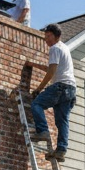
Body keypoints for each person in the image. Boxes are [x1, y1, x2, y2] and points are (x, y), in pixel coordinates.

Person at [29, 23, 76, 162]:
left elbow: (51, 72)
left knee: (36, 105)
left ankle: (42, 130)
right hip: (71, 89)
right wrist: (33, 65)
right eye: (45, 36)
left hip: (60, 87)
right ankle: (61, 150)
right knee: (62, 121)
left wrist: (38, 88)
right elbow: (52, 68)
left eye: (49, 36)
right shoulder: (64, 48)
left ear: (57, 36)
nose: (46, 39)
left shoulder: (55, 48)